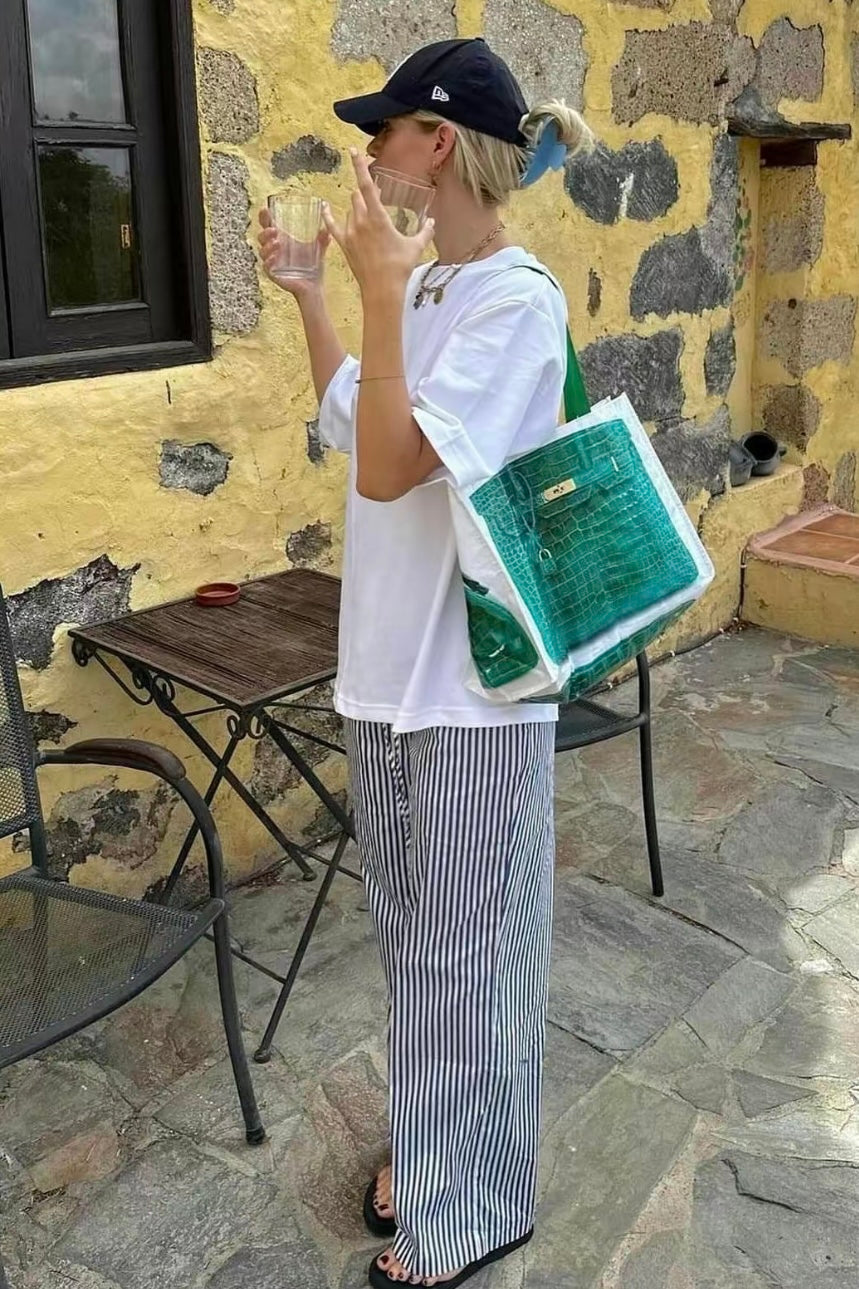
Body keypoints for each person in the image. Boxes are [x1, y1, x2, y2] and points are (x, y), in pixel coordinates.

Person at [259, 37, 592, 1289]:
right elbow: (360, 426)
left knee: (471, 955)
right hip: (385, 673)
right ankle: (436, 1141)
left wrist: (380, 293)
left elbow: (398, 470)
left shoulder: (515, 298)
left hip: (466, 691)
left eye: (384, 128)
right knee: (415, 946)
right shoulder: (435, 285)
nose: (368, 151)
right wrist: (315, 296)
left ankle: (472, 1207)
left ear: (437, 142)